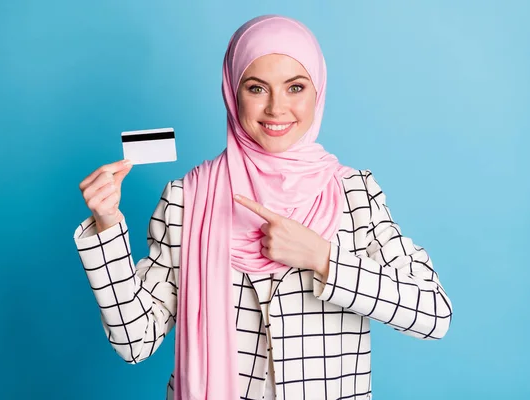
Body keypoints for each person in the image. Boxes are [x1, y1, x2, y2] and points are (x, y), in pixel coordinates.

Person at [74, 14, 452, 400]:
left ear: (317, 92)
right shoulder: (188, 198)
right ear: (232, 92)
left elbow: (434, 314)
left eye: (295, 87)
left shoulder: (354, 194)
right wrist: (106, 228)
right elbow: (135, 341)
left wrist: (323, 258)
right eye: (257, 88)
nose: (276, 108)